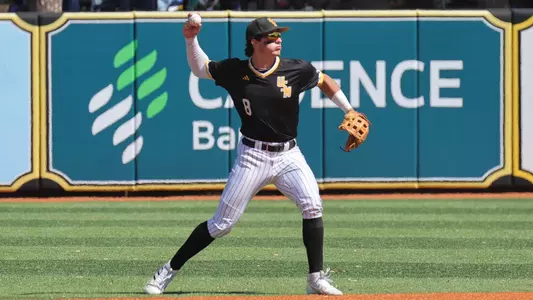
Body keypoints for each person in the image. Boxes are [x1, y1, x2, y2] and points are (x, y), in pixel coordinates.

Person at [144, 14, 366, 296]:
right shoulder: (236, 71)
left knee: (313, 207)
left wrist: (348, 110)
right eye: (271, 37)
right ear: (254, 42)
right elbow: (200, 68)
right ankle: (167, 271)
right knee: (222, 225)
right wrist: (191, 38)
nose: (278, 40)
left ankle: (315, 279)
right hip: (252, 156)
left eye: (279, 35)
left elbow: (324, 80)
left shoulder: (296, 69)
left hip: (289, 155)